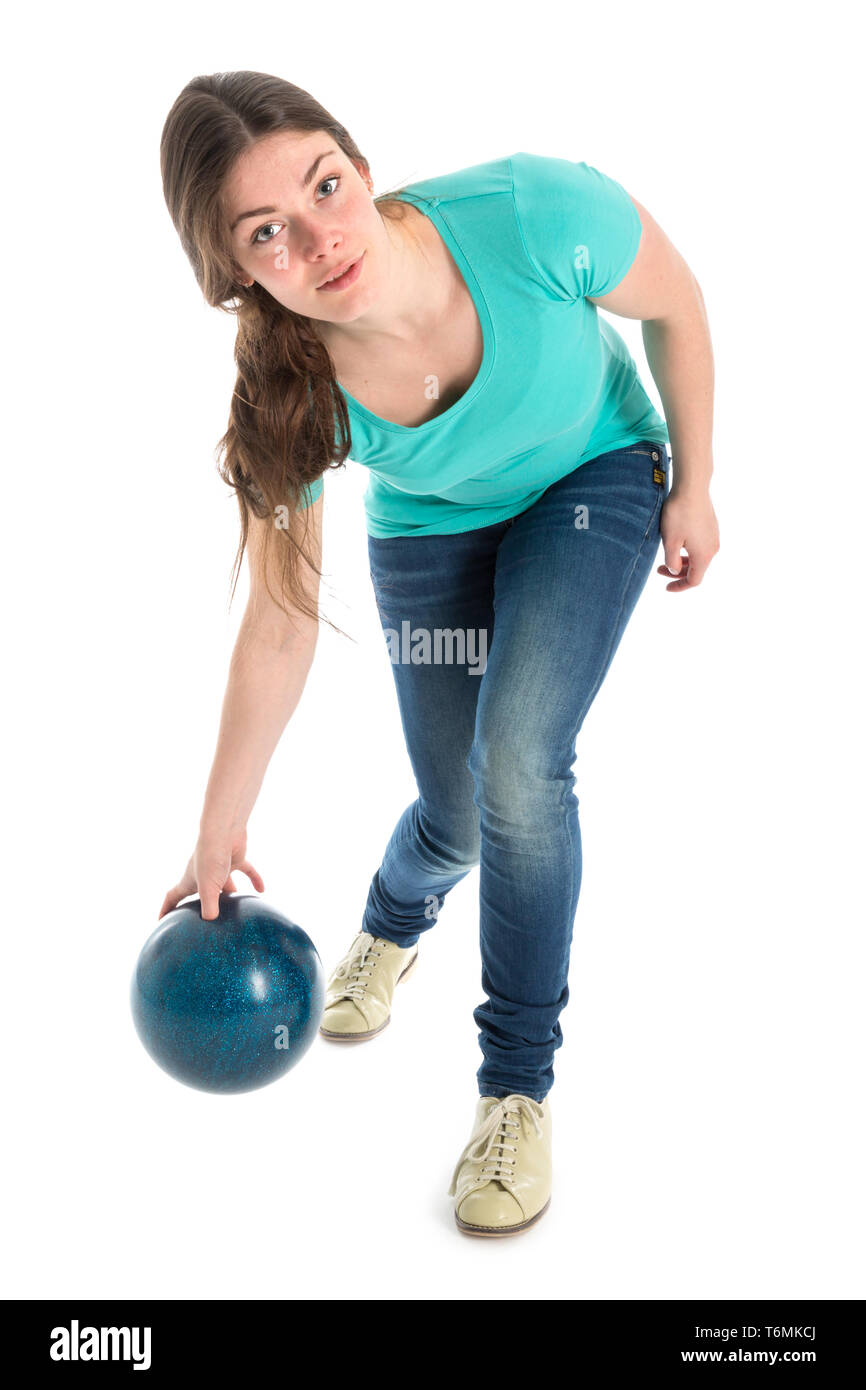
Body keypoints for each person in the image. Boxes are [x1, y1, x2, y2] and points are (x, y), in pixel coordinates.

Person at [158, 71, 720, 1239]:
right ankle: (392, 922)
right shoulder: (291, 394)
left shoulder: (532, 213)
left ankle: (513, 1086)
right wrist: (218, 827)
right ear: (236, 275)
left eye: (324, 185)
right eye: (269, 233)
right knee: (455, 811)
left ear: (358, 164)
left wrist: (699, 484)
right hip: (431, 528)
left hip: (592, 478)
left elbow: (674, 302)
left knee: (518, 763)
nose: (320, 238)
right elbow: (280, 620)